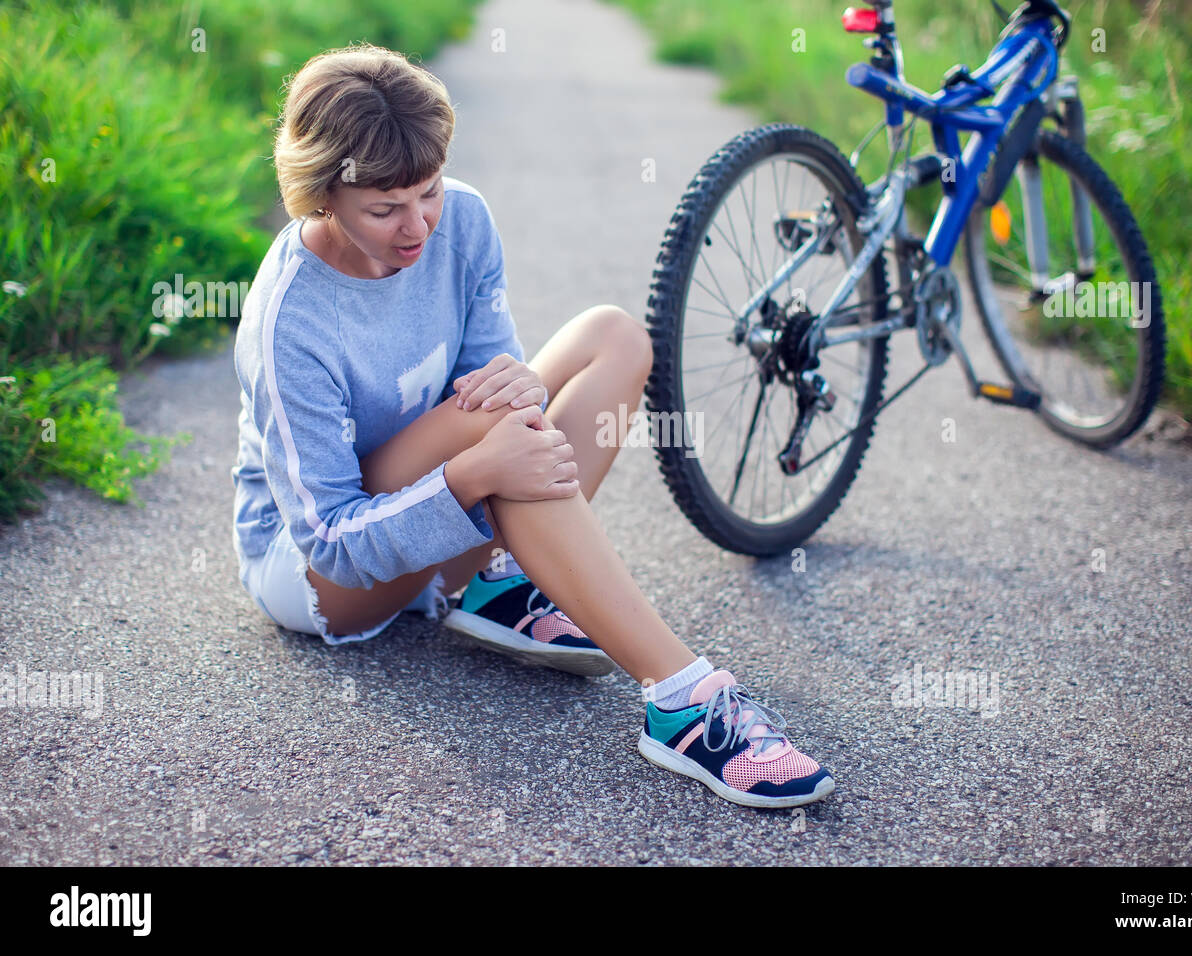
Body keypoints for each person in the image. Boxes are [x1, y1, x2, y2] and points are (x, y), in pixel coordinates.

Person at [229, 42, 833, 808]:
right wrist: (475, 475)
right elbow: (333, 543)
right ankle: (681, 695)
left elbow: (492, 377)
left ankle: (487, 580)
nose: (418, 226)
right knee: (500, 437)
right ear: (322, 198)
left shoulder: (465, 221)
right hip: (317, 566)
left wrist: (512, 400)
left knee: (613, 338)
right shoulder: (291, 318)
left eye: (429, 191)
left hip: (434, 488)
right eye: (384, 210)